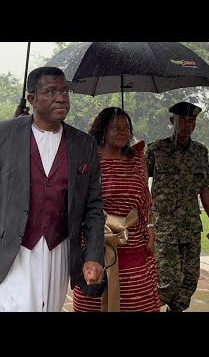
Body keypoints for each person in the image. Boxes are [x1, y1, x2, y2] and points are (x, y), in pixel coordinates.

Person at [0, 66, 105, 312]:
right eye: (51, 91)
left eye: (64, 91)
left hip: (58, 248)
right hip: (14, 249)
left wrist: (94, 256)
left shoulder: (84, 143)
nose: (61, 97)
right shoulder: (3, 133)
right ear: (31, 99)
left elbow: (93, 207)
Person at [72, 107, 160, 312]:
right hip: (96, 239)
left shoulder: (137, 158)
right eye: (115, 128)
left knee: (137, 299)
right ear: (102, 130)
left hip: (133, 239)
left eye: (126, 128)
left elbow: (145, 198)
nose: (122, 132)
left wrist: (149, 225)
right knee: (94, 297)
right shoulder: (88, 157)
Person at [145, 101, 209, 312]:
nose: (188, 124)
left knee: (189, 281)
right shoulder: (157, 149)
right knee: (167, 281)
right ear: (173, 121)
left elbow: (204, 191)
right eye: (184, 120)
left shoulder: (200, 152)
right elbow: (140, 183)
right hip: (165, 229)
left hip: (190, 227)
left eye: (192, 120)